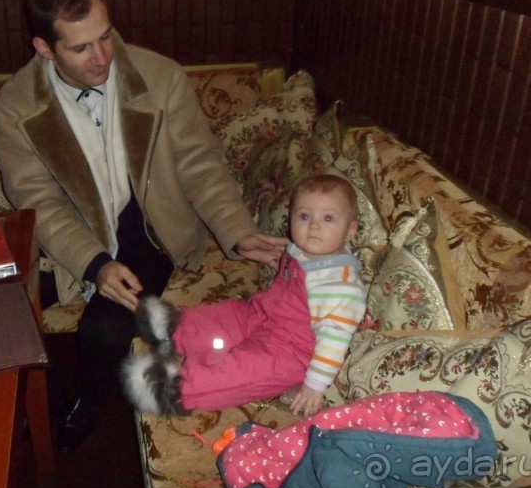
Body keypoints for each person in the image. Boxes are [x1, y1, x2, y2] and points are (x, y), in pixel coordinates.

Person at [0, 0, 285, 452]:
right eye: (81, 48)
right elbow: (35, 199)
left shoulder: (160, 77)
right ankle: (18, 414)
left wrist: (237, 230)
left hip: (148, 232)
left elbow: (199, 164)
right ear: (44, 48)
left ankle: (85, 402)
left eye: (105, 36)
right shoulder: (15, 104)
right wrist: (93, 263)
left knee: (105, 328)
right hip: (73, 236)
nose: (102, 57)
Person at [122, 173, 367, 418]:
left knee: (242, 368)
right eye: (304, 216)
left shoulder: (341, 286)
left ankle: (174, 389)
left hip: (290, 351)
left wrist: (315, 385)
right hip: (261, 314)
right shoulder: (303, 249)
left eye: (328, 218)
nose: (314, 226)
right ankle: (172, 328)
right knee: (225, 317)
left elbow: (335, 339)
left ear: (350, 230)